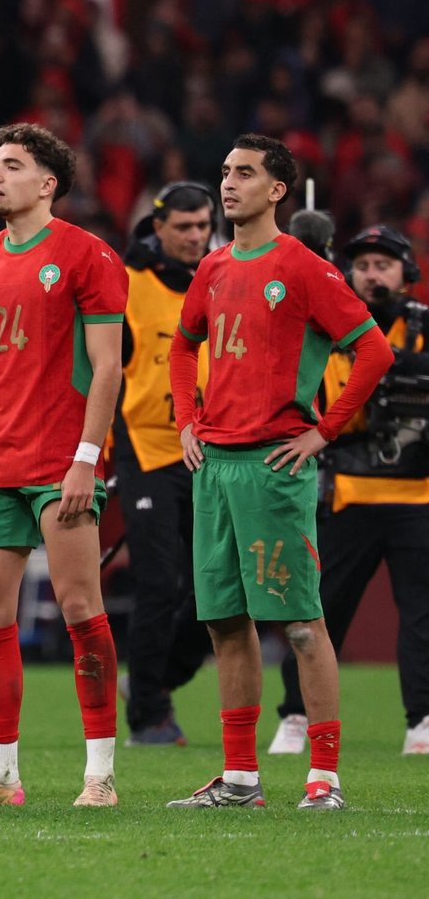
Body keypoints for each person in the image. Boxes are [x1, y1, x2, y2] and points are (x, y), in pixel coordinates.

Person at [165, 134, 391, 810]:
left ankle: (323, 779)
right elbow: (182, 346)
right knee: (226, 625)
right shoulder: (211, 268)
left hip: (274, 464)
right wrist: (186, 420)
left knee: (299, 624)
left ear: (277, 191)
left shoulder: (302, 266)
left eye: (244, 174)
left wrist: (323, 432)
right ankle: (240, 780)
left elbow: (372, 351)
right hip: (215, 466)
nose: (227, 184)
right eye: (226, 171)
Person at [0, 123, 127, 808]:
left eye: (11, 165)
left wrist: (86, 458)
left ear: (47, 184)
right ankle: (1, 775)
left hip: (58, 462)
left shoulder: (87, 255)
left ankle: (100, 775)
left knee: (80, 606)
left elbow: (109, 367)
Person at [268, 224, 429, 757]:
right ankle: (294, 714)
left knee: (422, 614)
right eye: (362, 264)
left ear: (407, 274)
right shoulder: (325, 328)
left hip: (417, 494)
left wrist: (407, 369)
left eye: (384, 264)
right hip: (345, 492)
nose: (372, 273)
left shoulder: (424, 331)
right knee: (317, 610)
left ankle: (422, 721)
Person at [113, 183, 217, 746]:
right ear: (159, 228)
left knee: (222, 586)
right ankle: (149, 716)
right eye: (184, 227)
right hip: (148, 448)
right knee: (157, 583)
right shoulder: (129, 285)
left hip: (213, 448)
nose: (195, 236)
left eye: (203, 225)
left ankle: (154, 681)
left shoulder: (222, 278)